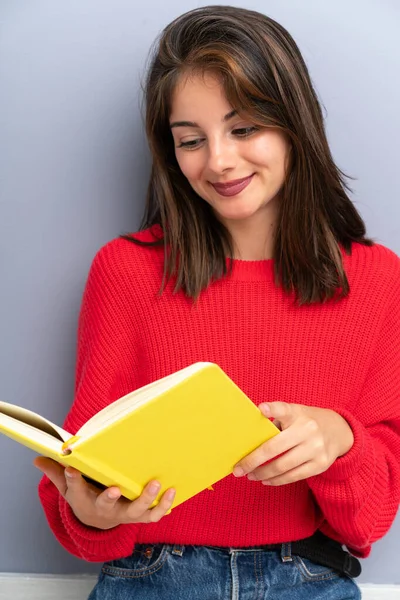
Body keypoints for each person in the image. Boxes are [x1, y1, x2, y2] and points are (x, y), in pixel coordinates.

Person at [34, 5, 400, 599]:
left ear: (293, 124)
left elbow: (372, 519)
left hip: (307, 577)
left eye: (245, 128)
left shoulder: (378, 281)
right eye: (191, 141)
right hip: (151, 576)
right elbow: (81, 473)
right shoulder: (126, 272)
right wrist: (92, 511)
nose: (220, 160)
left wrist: (341, 438)